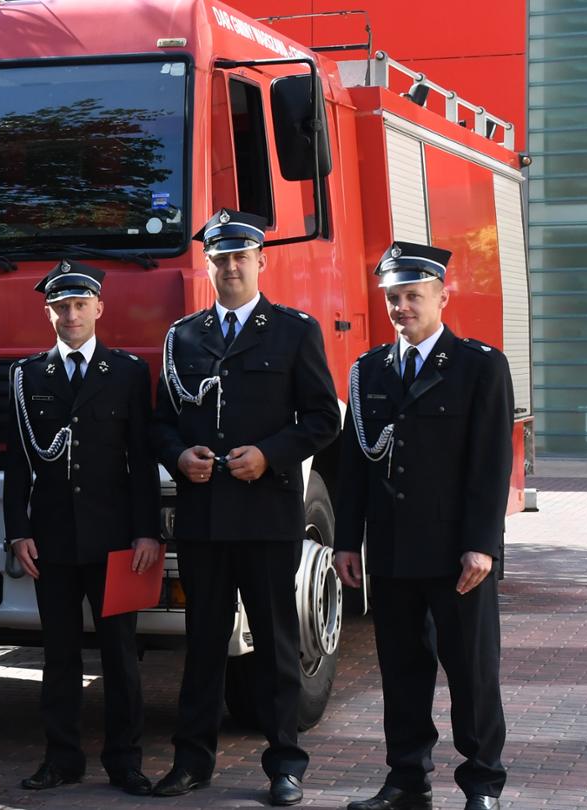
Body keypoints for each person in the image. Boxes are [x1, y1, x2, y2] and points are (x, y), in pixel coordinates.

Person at [151, 209, 340, 806]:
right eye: (219, 257)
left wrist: (270, 455)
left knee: (278, 643)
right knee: (203, 644)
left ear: (262, 260)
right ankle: (192, 762)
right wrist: (180, 457)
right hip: (205, 517)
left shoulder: (293, 331)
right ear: (206, 264)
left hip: (266, 515)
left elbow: (322, 420)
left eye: (240, 256)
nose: (229, 266)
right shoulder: (182, 337)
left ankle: (285, 764)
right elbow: (160, 424)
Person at [334, 242, 512, 810]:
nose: (402, 307)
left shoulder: (479, 365)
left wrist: (481, 546)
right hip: (392, 550)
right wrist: (345, 541)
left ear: (442, 295)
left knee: (472, 673)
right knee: (403, 674)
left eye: (414, 295)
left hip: (458, 553)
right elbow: (353, 464)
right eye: (393, 297)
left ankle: (482, 784)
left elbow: (491, 464)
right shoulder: (368, 371)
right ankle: (406, 779)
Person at [2, 261, 162, 794]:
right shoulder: (26, 376)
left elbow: (141, 460)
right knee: (60, 656)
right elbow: (19, 464)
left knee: (120, 655)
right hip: (53, 542)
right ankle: (62, 759)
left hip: (117, 540)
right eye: (60, 307)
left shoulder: (129, 372)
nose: (70, 315)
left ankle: (125, 762)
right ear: (48, 313)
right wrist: (17, 531)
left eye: (79, 305)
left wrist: (147, 532)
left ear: (99, 308)